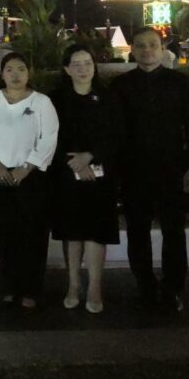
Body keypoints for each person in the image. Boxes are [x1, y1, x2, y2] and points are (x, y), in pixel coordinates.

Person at [111, 27, 189, 311]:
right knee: (137, 232)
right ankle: (145, 286)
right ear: (133, 50)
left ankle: (173, 288)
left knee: (174, 232)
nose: (147, 50)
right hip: (133, 172)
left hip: (172, 170)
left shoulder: (181, 83)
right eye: (140, 45)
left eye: (153, 45)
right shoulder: (120, 86)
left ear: (163, 49)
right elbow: (114, 132)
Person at [0, 52, 59, 309]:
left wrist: (26, 168)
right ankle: (10, 286)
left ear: (29, 73)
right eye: (10, 69)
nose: (15, 74)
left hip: (31, 177)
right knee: (6, 233)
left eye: (21, 69)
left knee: (33, 233)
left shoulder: (41, 102)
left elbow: (48, 138)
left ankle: (31, 289)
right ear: (2, 74)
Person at [50, 44, 120, 315]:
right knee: (72, 233)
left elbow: (117, 135)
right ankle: (73, 285)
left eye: (87, 63)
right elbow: (50, 137)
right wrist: (75, 164)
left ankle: (94, 287)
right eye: (76, 64)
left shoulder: (108, 97)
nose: (83, 69)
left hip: (101, 175)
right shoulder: (56, 99)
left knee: (95, 232)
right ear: (67, 69)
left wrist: (91, 157)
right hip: (66, 174)